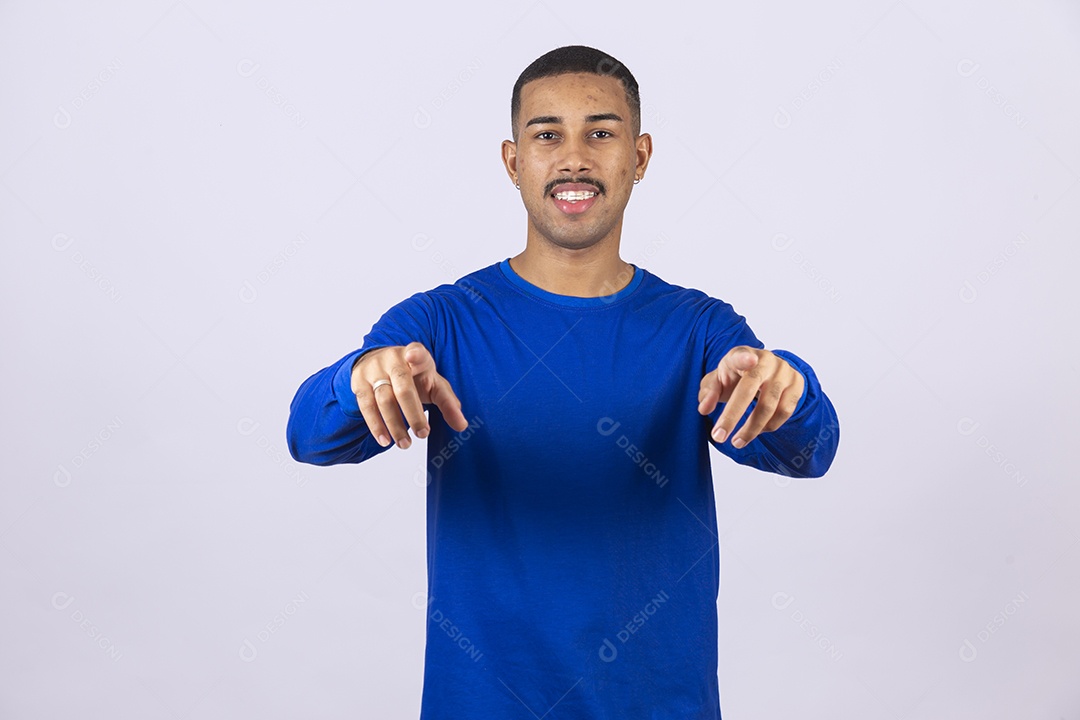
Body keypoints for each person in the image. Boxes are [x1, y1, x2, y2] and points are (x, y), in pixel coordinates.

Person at [287, 44, 839, 719]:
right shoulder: (438, 324)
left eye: (600, 134)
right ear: (514, 161)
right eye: (547, 135)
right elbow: (310, 435)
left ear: (639, 158)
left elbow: (810, 450)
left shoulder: (700, 331)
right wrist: (360, 378)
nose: (574, 157)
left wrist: (791, 389)